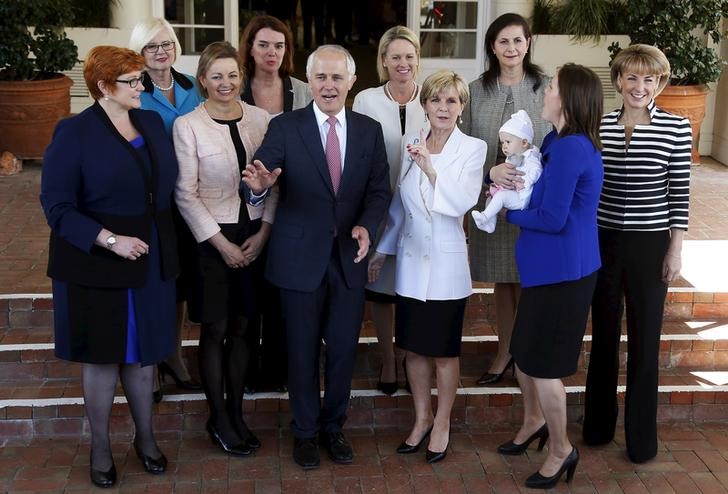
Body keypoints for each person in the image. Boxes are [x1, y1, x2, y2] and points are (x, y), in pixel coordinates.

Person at [241, 45, 390, 470]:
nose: (328, 86)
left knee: (342, 350)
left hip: (348, 259)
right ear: (311, 83)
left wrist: (367, 225)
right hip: (298, 259)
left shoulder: (369, 130)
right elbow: (259, 176)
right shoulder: (286, 127)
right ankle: (304, 433)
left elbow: (379, 191)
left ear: (351, 82)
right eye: (320, 78)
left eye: (336, 77)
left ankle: (333, 429)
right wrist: (259, 185)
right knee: (301, 351)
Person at [40, 45, 178, 488]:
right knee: (101, 359)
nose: (143, 86)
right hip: (96, 259)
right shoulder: (73, 132)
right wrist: (111, 241)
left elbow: (166, 188)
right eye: (133, 81)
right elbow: (57, 206)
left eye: (141, 79)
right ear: (104, 86)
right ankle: (100, 448)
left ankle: (146, 439)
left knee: (142, 359)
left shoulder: (152, 122)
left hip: (151, 253)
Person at [583, 44, 692, 464]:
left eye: (649, 79)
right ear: (618, 80)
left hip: (650, 246)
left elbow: (679, 194)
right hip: (603, 241)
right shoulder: (599, 126)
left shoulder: (676, 129)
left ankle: (642, 440)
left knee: (645, 343)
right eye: (632, 77)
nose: (639, 86)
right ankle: (597, 427)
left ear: (660, 83)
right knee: (604, 336)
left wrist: (675, 248)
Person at [370, 70, 486, 463]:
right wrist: (383, 251)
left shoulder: (473, 147)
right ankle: (421, 419)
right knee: (414, 351)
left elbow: (461, 203)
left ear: (461, 108)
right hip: (410, 266)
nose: (443, 107)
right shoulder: (411, 141)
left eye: (452, 101)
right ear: (425, 104)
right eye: (436, 99)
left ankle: (442, 423)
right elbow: (401, 206)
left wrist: (430, 169)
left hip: (446, 269)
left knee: (443, 353)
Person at [499, 64, 603, 490]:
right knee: (523, 355)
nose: (545, 92)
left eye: (552, 87)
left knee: (542, 367)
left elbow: (553, 217)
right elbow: (528, 178)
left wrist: (509, 212)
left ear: (569, 98)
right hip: (544, 272)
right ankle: (535, 422)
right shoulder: (553, 139)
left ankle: (562, 449)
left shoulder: (574, 148)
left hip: (565, 275)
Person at [173, 41, 273, 456]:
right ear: (202, 81)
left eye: (233, 75)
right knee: (215, 327)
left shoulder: (263, 119)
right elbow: (185, 193)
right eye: (217, 76)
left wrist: (264, 231)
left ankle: (237, 412)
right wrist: (221, 244)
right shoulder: (188, 125)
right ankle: (218, 417)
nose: (226, 83)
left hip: (253, 234)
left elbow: (274, 179)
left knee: (245, 327)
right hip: (210, 240)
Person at [461, 13, 552, 386]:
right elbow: (463, 148)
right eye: (503, 42)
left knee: (530, 280)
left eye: (518, 40)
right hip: (493, 200)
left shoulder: (547, 87)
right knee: (503, 280)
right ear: (492, 47)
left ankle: (528, 354)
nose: (511, 48)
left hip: (537, 201)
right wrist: (488, 173)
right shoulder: (476, 90)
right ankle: (504, 352)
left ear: (528, 43)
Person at [129, 16, 204, 402]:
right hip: (152, 200)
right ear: (140, 53)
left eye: (167, 44)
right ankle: (151, 361)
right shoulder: (133, 92)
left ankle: (174, 355)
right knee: (154, 284)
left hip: (190, 198)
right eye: (151, 47)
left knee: (180, 284)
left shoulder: (193, 87)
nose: (161, 52)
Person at [238, 14, 312, 393]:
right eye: (263, 44)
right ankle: (249, 372)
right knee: (251, 295)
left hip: (295, 206)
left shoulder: (302, 89)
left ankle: (279, 372)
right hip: (248, 205)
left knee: (284, 297)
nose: (271, 52)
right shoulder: (235, 89)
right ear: (249, 48)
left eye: (279, 46)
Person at [352, 25, 426, 395]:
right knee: (381, 290)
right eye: (395, 56)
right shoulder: (366, 99)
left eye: (409, 56)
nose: (403, 63)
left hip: (422, 212)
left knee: (412, 289)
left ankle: (411, 357)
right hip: (378, 207)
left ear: (418, 60)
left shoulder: (432, 99)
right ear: (383, 61)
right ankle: (388, 359)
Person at [471, 110, 542, 233]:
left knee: (501, 197)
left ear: (524, 142)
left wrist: (525, 182)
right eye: (502, 142)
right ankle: (490, 224)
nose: (504, 146)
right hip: (512, 191)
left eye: (508, 142)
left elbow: (537, 171)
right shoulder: (513, 157)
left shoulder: (530, 158)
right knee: (490, 198)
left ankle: (484, 217)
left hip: (521, 196)